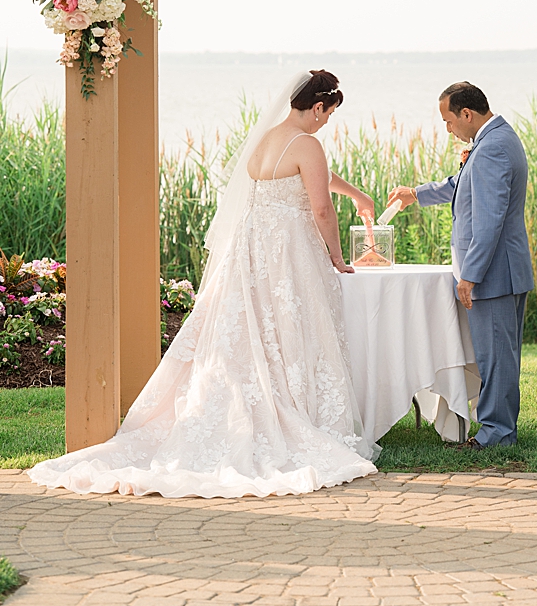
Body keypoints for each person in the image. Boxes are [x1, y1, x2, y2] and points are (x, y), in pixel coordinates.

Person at [29, 70, 381, 497]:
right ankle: (297, 411)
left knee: (255, 333)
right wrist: (337, 257)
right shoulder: (308, 144)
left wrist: (357, 194)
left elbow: (314, 177)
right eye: (327, 116)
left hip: (251, 252)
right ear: (318, 107)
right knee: (290, 330)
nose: (326, 124)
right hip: (289, 253)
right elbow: (321, 208)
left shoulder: (266, 137)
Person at [388, 82, 532, 447]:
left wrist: (470, 275)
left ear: (467, 114)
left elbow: (489, 219)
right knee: (497, 356)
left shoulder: (492, 149)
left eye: (448, 121)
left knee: (496, 359)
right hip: (504, 271)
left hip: (495, 273)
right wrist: (416, 194)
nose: (448, 129)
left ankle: (497, 435)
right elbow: (461, 185)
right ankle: (497, 430)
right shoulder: (494, 141)